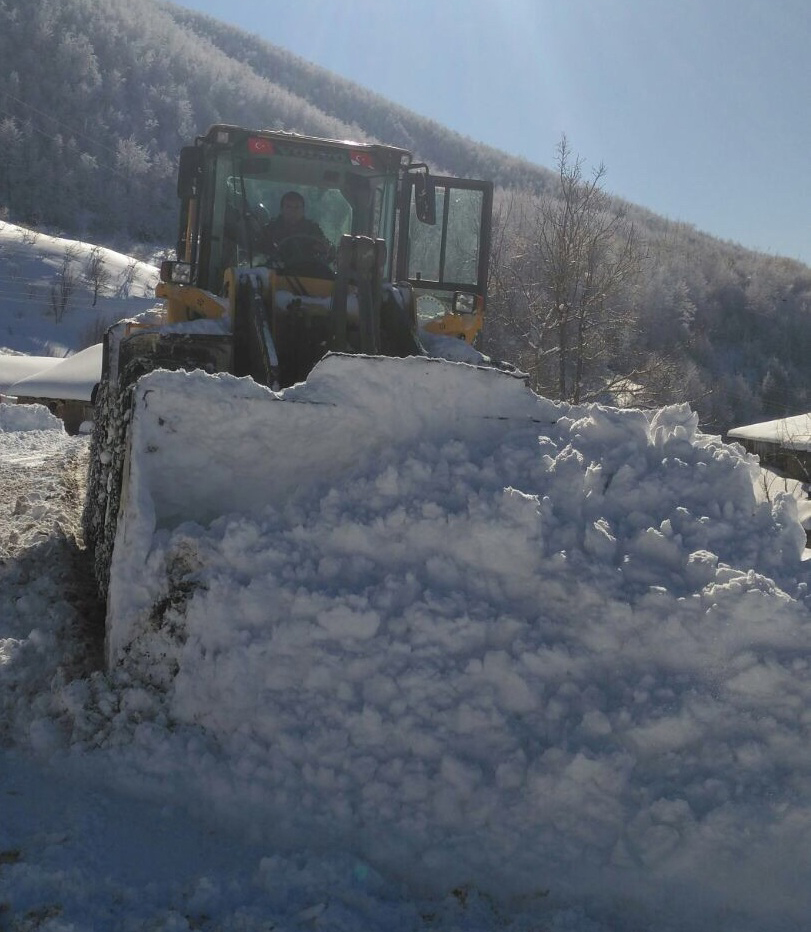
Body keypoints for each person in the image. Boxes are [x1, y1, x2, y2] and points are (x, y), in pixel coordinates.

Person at [261, 191, 332, 264]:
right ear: (282, 209)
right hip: (276, 272)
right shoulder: (270, 229)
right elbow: (260, 253)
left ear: (303, 210)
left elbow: (326, 252)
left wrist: (324, 248)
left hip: (308, 272)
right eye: (288, 207)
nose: (293, 211)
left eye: (297, 207)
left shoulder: (313, 229)